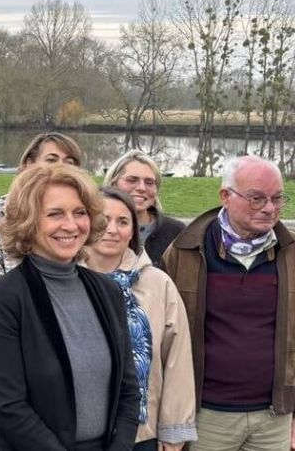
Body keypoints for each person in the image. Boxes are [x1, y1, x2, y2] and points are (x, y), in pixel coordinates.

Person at [161, 155, 295, 451]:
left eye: (277, 198)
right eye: (257, 198)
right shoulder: (184, 252)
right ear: (226, 196)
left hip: (274, 420)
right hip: (205, 417)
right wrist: (170, 418)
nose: (269, 208)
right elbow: (162, 341)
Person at [0, 164, 140, 450]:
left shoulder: (108, 291)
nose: (70, 225)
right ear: (29, 222)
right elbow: (9, 406)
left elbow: (128, 390)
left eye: (79, 213)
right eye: (55, 214)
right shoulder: (6, 297)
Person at [0, 131, 84, 451]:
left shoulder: (77, 221)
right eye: (51, 159)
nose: (61, 168)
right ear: (27, 165)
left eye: (70, 162)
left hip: (58, 367)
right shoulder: (2, 213)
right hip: (8, 356)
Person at [83, 187, 197, 451]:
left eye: (123, 222)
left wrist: (174, 431)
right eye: (103, 220)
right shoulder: (67, 280)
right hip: (79, 432)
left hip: (142, 434)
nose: (112, 229)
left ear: (133, 231)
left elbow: (176, 359)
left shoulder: (157, 284)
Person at [103, 150, 186, 267]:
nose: (142, 188)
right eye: (132, 180)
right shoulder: (94, 226)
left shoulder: (176, 231)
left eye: (149, 182)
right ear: (113, 183)